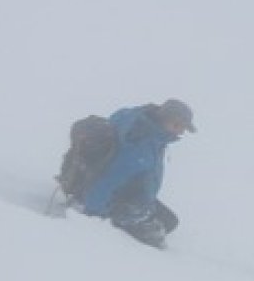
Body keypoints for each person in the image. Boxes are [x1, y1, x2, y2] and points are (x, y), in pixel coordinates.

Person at [69, 99, 195, 247]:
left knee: (169, 221)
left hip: (127, 192)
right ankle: (126, 240)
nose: (180, 132)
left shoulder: (140, 123)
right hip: (111, 200)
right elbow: (109, 180)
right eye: (176, 125)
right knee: (155, 237)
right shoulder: (140, 144)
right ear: (163, 118)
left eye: (183, 127)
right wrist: (93, 216)